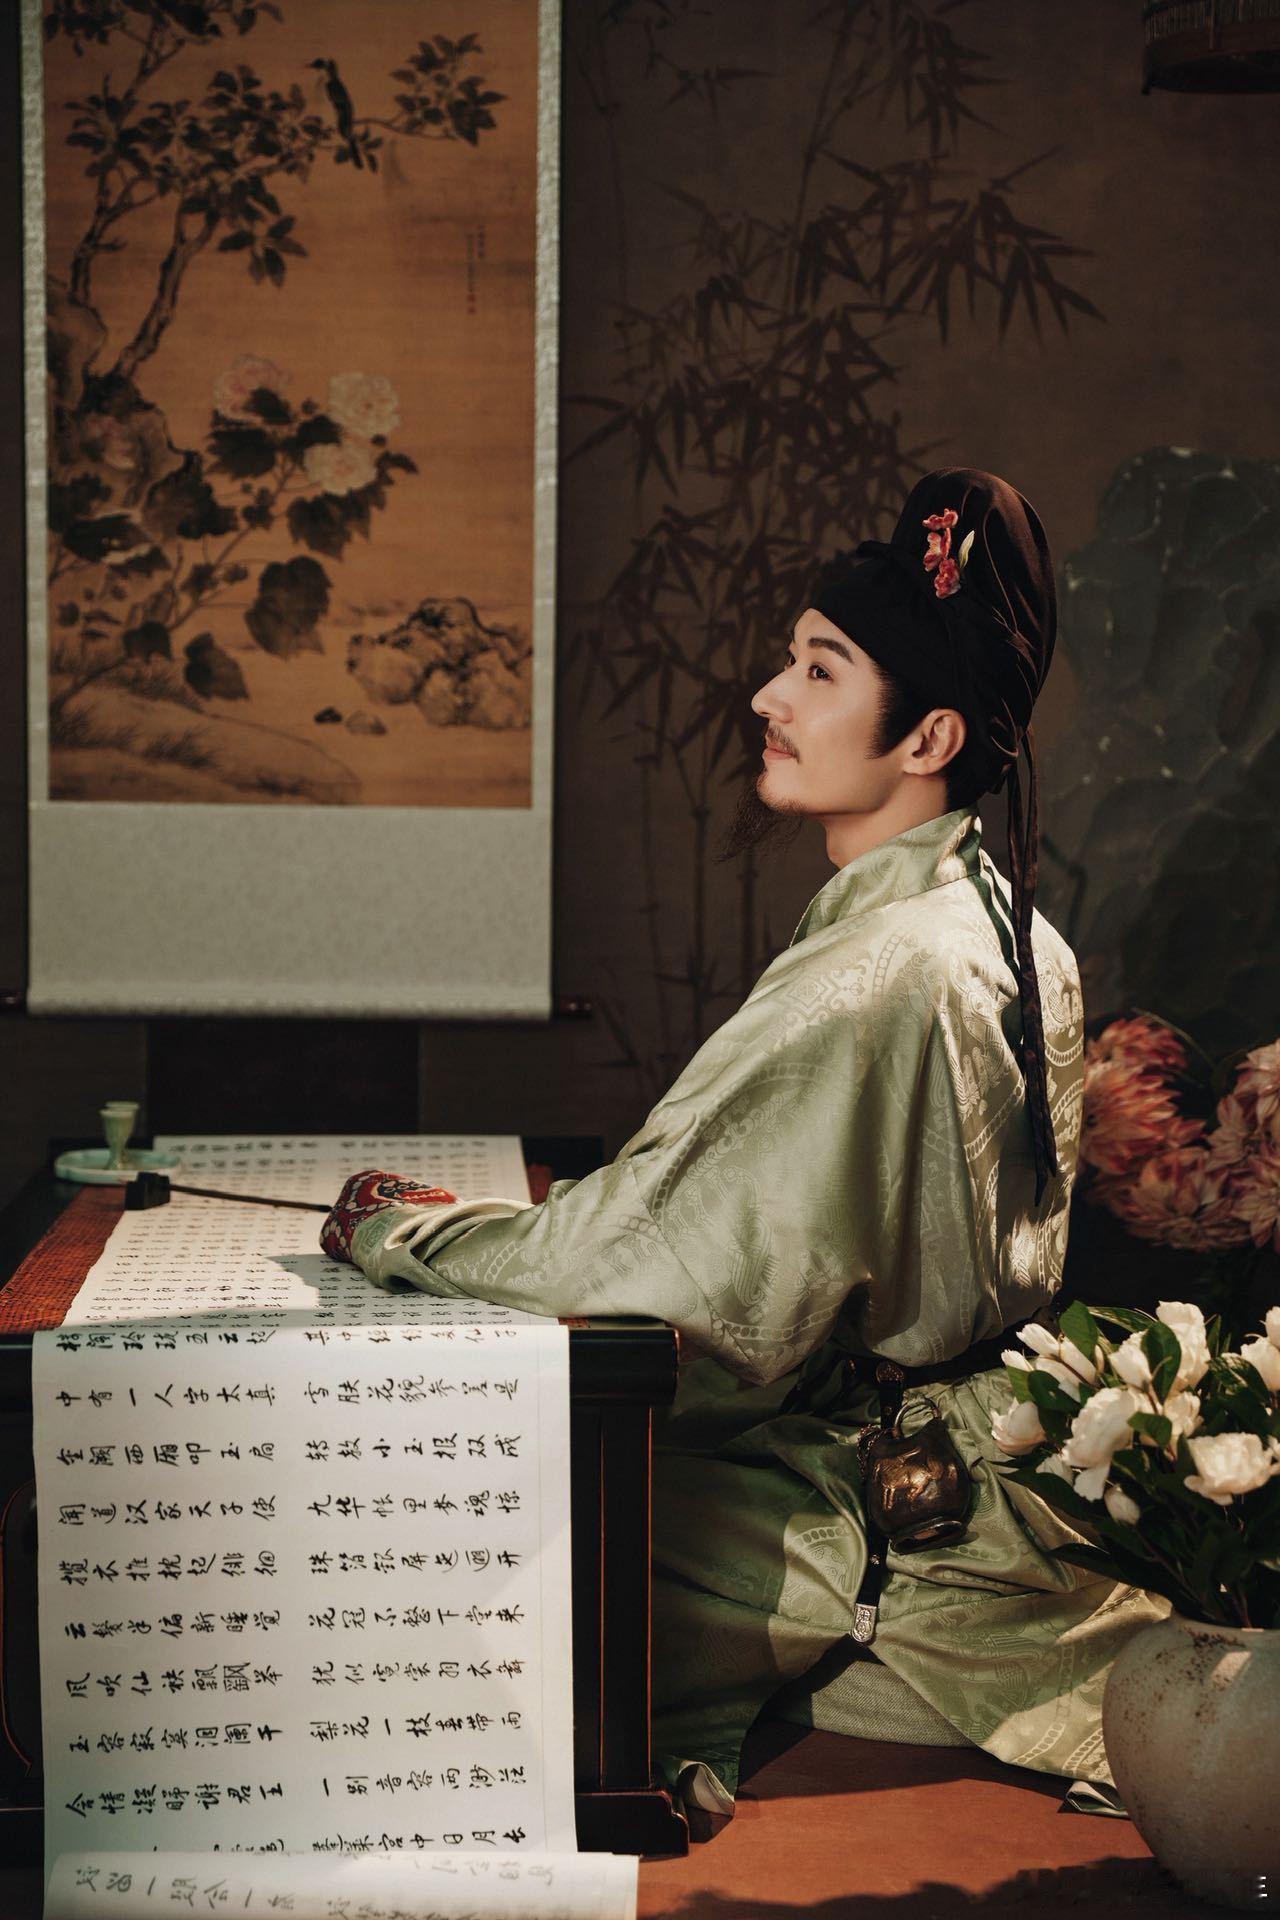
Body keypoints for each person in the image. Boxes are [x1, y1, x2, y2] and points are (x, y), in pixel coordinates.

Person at [320, 468, 1167, 1819]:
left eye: (820, 670)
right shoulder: (1007, 928)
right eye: (790, 661)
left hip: (872, 1492)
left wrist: (411, 1234)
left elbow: (653, 1262)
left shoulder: (882, 972)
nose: (770, 696)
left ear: (928, 735)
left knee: (428, 1540)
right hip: (970, 1443)